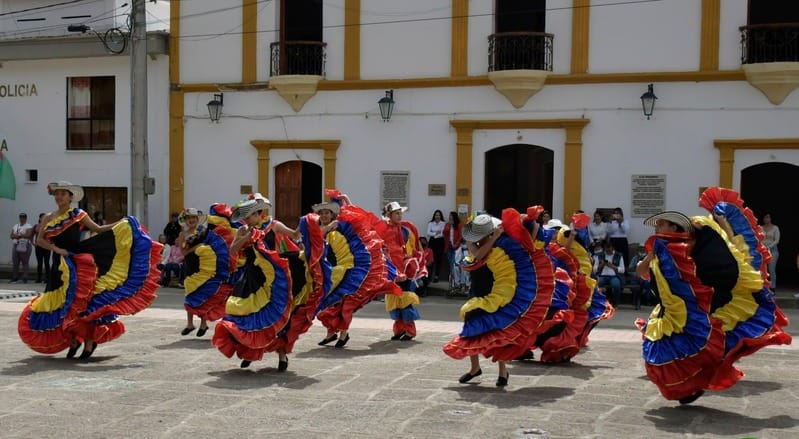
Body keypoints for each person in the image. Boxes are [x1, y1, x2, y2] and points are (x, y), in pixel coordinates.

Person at [635, 187, 791, 405]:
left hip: (699, 304)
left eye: (661, 223)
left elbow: (723, 247)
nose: (657, 227)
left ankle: (696, 383)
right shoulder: (659, 250)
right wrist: (651, 254)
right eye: (658, 224)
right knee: (661, 348)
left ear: (674, 226)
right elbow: (641, 272)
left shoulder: (690, 244)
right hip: (671, 308)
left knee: (703, 344)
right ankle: (689, 387)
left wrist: (721, 222)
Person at [18, 181, 162, 359]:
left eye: (63, 193)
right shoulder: (48, 217)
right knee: (62, 304)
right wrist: (56, 249)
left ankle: (89, 341)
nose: (59, 197)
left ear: (70, 197)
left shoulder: (78, 214)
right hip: (59, 265)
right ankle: (74, 339)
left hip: (79, 263)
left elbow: (98, 229)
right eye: (57, 194)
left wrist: (121, 223)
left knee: (84, 304)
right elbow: (39, 240)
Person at [443, 211, 555, 386]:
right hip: (477, 292)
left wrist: (528, 220)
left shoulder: (503, 245)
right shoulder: (475, 243)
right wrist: (493, 238)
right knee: (472, 326)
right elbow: (478, 255)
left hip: (496, 295)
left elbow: (532, 229)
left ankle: (503, 372)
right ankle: (475, 368)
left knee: (498, 330)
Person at [212, 194, 300, 371]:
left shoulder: (274, 225)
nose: (246, 220)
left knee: (276, 315)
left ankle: (282, 356)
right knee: (244, 314)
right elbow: (232, 250)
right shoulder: (242, 230)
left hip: (273, 279)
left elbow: (294, 235)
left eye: (249, 216)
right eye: (244, 217)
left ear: (259, 213)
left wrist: (307, 222)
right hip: (251, 278)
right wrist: (246, 237)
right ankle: (249, 351)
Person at [315, 190, 402, 349]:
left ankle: (343, 334)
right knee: (328, 304)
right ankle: (331, 333)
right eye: (322, 213)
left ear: (333, 214)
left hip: (348, 270)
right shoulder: (322, 228)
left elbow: (355, 216)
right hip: (330, 269)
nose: (324, 215)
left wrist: (346, 199)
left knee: (345, 303)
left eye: (327, 212)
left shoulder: (339, 225)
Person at [373, 201, 425, 341]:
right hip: (391, 270)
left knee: (405, 299)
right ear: (389, 215)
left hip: (404, 270)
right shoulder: (382, 229)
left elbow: (415, 249)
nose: (399, 216)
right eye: (396, 213)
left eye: (400, 213)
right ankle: (399, 329)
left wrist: (412, 266)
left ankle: (410, 330)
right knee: (393, 299)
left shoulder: (406, 230)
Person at [176, 208, 210, 336]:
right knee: (189, 294)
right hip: (190, 265)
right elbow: (183, 252)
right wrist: (195, 247)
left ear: (197, 219)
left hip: (203, 265)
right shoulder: (182, 234)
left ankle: (203, 323)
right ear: (185, 221)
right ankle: (190, 324)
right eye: (188, 218)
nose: (191, 220)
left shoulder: (204, 231)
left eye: (193, 217)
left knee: (203, 295)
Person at [593, 240, 624, 306]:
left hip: (614, 276)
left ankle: (615, 302)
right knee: (597, 284)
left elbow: (622, 270)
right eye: (606, 249)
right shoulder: (599, 255)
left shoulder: (619, 255)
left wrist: (613, 266)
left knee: (616, 285)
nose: (608, 251)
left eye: (609, 249)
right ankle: (598, 301)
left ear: (613, 248)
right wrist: (601, 265)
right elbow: (594, 269)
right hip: (602, 276)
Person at [10, 212, 34, 283]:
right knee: (15, 262)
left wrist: (19, 236)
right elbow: (11, 235)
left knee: (25, 262)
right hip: (16, 245)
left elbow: (29, 235)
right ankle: (15, 277)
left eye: (23, 217)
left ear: (26, 218)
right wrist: (17, 236)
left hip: (25, 245)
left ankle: (25, 277)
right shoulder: (15, 226)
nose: (22, 219)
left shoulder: (28, 226)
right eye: (20, 217)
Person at [626, 245, 653, 310]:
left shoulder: (648, 258)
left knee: (649, 284)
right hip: (635, 277)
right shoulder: (634, 258)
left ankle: (648, 300)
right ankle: (635, 301)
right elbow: (630, 270)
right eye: (640, 249)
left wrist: (643, 275)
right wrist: (637, 275)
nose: (642, 250)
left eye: (643, 249)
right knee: (633, 284)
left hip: (645, 278)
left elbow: (651, 270)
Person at [760, 213, 780, 290]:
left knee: (771, 269)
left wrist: (768, 247)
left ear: (771, 219)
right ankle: (762, 287)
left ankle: (772, 287)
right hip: (762, 251)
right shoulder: (760, 228)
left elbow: (777, 240)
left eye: (768, 217)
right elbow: (758, 238)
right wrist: (762, 247)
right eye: (765, 217)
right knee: (762, 270)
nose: (766, 219)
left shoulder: (775, 228)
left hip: (773, 251)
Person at [425, 209, 446, 283]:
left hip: (440, 242)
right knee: (431, 259)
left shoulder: (443, 223)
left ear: (441, 216)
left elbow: (442, 233)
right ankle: (430, 276)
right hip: (432, 242)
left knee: (439, 259)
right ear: (434, 216)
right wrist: (436, 233)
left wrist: (434, 233)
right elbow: (428, 233)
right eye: (436, 215)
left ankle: (437, 276)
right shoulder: (431, 223)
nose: (437, 216)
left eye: (439, 215)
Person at [443, 211, 462, 283]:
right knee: (450, 262)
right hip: (449, 246)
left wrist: (456, 244)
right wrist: (448, 226)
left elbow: (461, 236)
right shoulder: (447, 224)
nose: (450, 217)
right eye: (449, 215)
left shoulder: (459, 225)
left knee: (454, 262)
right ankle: (453, 278)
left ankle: (455, 279)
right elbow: (444, 233)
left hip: (456, 247)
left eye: (451, 215)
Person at [32, 213, 51, 283]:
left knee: (46, 262)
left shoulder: (49, 226)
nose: (44, 218)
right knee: (39, 263)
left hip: (46, 247)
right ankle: (39, 278)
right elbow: (31, 235)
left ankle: (47, 278)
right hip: (38, 247)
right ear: (40, 219)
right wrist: (33, 242)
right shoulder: (36, 226)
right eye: (42, 217)